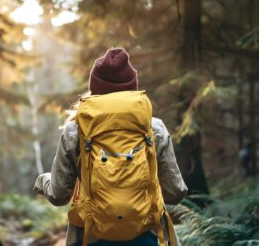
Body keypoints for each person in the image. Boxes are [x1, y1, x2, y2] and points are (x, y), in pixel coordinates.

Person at [34, 48, 188, 246]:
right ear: (132, 87)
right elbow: (175, 193)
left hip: (93, 236)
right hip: (147, 236)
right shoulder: (153, 128)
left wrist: (43, 180)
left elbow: (58, 195)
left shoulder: (75, 130)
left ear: (95, 88)